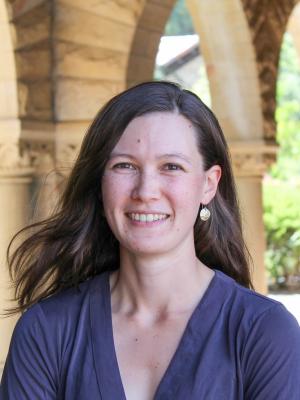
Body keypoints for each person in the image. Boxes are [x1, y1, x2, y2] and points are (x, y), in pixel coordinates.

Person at [1, 81, 299, 400]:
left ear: (208, 185)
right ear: (100, 184)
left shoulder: (264, 333)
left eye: (172, 167)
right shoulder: (47, 331)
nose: (145, 191)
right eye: (125, 166)